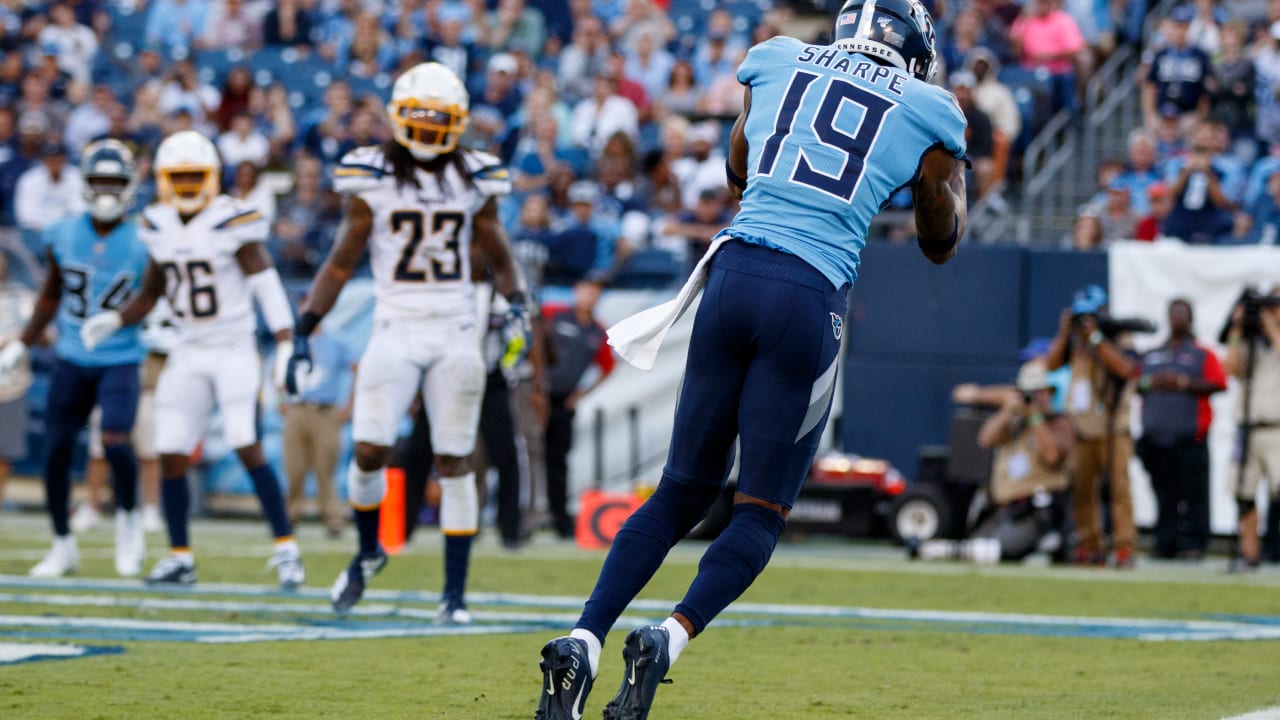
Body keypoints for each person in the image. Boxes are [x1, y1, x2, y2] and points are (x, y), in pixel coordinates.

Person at [534, 1, 969, 717]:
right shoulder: (930, 106)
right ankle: (667, 637)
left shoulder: (777, 56)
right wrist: (938, 183)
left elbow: (739, 166)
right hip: (808, 293)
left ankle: (583, 637)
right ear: (914, 47)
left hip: (732, 274)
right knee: (761, 511)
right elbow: (938, 239)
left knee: (678, 490)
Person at [284, 62, 526, 619]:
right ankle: (369, 551)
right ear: (398, 117)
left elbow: (495, 246)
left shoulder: (475, 176)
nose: (426, 128)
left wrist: (516, 299)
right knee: (369, 449)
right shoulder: (371, 175)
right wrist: (306, 323)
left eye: (437, 118)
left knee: (455, 456)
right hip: (394, 323)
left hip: (455, 324)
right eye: (419, 116)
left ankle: (455, 595)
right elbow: (343, 259)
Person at [78, 130, 304, 590]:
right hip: (188, 347)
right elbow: (152, 292)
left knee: (245, 441)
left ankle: (287, 550)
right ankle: (180, 556)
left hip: (234, 346)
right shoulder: (158, 224)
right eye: (176, 178)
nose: (184, 186)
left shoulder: (231, 221)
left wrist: (285, 341)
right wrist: (117, 320)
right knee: (171, 450)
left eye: (192, 177)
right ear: (162, 180)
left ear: (212, 178)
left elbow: (265, 284)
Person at [0, 141, 151, 578]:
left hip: (120, 354)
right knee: (57, 450)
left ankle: (128, 519)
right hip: (71, 354)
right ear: (84, 185)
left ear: (129, 187)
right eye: (99, 182)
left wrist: (118, 320)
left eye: (115, 183)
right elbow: (50, 296)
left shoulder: (145, 237)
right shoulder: (62, 232)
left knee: (117, 439)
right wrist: (22, 344)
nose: (106, 192)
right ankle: (63, 543)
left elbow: (151, 295)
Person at [918, 362, 1073, 564]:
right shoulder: (1015, 422)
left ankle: (1051, 541)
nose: (1035, 398)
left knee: (998, 551)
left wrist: (1034, 417)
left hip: (1035, 510)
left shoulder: (1057, 423)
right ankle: (938, 550)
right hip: (1004, 510)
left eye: (1039, 392)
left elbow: (1052, 456)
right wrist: (1007, 411)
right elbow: (985, 439)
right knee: (976, 548)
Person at [1044, 285, 1139, 567]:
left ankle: (1124, 546)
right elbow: (1050, 366)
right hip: (1083, 426)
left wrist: (1096, 338)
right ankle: (1089, 543)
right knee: (1084, 490)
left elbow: (1125, 369)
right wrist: (1065, 333)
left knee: (1120, 489)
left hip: (1114, 426)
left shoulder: (1119, 336)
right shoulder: (1074, 341)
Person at [1136, 298, 1225, 560]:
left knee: (1194, 493)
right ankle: (1165, 543)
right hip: (1157, 436)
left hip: (1191, 435)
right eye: (1174, 312)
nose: (1178, 317)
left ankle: (1195, 544)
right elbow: (1135, 381)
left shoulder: (1201, 353)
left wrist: (1182, 382)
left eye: (1182, 312)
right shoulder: (1152, 354)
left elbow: (1218, 383)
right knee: (1164, 493)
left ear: (1191, 318)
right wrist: (1152, 381)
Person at [542, 277, 615, 539]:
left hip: (563, 401)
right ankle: (517, 518)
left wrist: (580, 395)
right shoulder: (553, 315)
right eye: (585, 291)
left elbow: (608, 368)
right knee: (524, 457)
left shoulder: (597, 332)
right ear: (575, 292)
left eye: (594, 293)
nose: (589, 297)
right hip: (537, 398)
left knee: (558, 461)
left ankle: (560, 520)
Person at [280, 309, 356, 537]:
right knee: (294, 469)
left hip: (325, 411)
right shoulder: (291, 342)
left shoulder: (335, 341)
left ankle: (333, 520)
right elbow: (278, 373)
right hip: (298, 409)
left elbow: (356, 369)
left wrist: (349, 406)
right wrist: (280, 401)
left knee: (327, 469)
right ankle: (289, 519)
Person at [1222, 288, 1280, 569]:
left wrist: (1272, 330)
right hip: (1248, 427)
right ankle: (1250, 553)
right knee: (1243, 493)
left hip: (1276, 428)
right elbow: (1230, 368)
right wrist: (1236, 327)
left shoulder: (1273, 339)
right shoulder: (1250, 341)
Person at [0, 253, 35, 510]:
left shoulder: (21, 297)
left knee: (4, 451)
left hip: (10, 384)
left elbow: (43, 334)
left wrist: (18, 340)